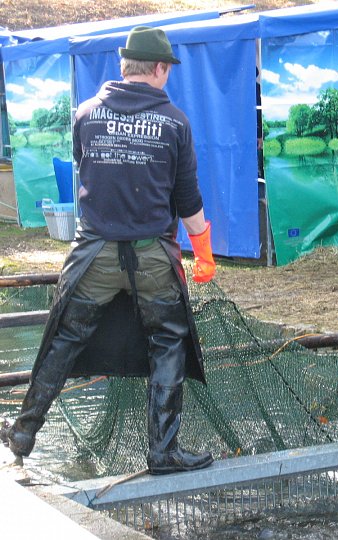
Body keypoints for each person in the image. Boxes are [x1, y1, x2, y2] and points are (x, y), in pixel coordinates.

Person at [0, 27, 217, 473]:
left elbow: (89, 172)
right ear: (158, 69)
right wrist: (205, 253)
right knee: (168, 343)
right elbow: (188, 200)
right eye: (167, 69)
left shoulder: (85, 114)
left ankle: (24, 432)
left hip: (94, 253)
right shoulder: (176, 122)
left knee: (63, 338)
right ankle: (163, 452)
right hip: (153, 256)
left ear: (123, 66)